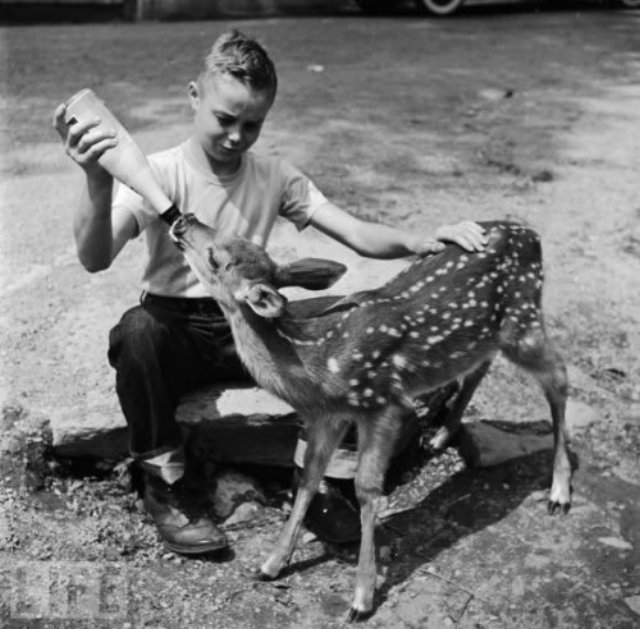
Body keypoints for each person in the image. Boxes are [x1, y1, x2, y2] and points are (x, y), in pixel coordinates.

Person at [54, 30, 487, 556]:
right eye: (224, 119)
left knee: (354, 320)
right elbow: (95, 257)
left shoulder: (274, 175)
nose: (237, 136)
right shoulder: (158, 172)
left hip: (255, 323)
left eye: (252, 124)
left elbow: (353, 232)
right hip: (177, 329)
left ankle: (323, 481)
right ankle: (166, 483)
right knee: (138, 333)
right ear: (194, 96)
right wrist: (97, 180)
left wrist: (418, 241)